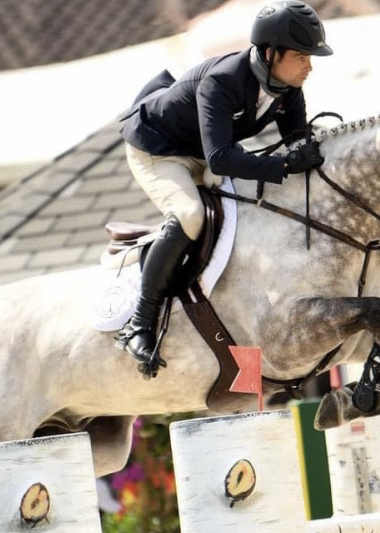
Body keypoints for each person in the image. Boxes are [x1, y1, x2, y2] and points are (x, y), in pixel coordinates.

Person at [117, 0, 333, 376]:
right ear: (271, 53)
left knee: (252, 208)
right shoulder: (223, 80)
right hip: (159, 150)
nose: (309, 66)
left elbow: (298, 140)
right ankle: (140, 321)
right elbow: (220, 160)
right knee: (190, 215)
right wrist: (282, 165)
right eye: (301, 56)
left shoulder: (288, 88)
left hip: (203, 151)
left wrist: (313, 151)